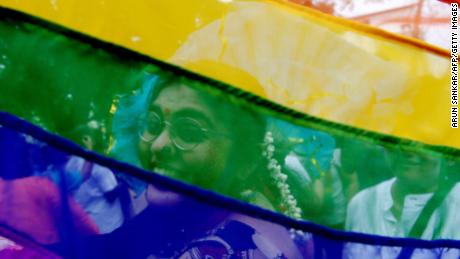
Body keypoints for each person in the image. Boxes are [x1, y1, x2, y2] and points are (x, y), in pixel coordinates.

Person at [104, 73, 307, 258]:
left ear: (246, 162)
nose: (158, 144)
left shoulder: (226, 248)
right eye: (153, 124)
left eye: (189, 132)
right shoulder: (185, 210)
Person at [346, 147, 460, 240]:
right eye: (396, 138)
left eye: (423, 138)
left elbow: (454, 121)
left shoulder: (456, 206)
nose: (407, 150)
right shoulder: (362, 203)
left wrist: (454, 123)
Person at [64, 124, 124, 233]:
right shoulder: (96, 164)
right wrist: (123, 183)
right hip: (110, 224)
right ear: (86, 139)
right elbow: (110, 195)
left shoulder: (69, 164)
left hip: (89, 225)